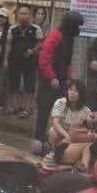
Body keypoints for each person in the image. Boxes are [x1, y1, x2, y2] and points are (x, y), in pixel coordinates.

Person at [35, 10, 85, 142]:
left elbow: (67, 60)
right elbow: (44, 60)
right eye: (76, 26)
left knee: (62, 111)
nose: (78, 29)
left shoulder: (68, 38)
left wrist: (68, 77)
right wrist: (52, 77)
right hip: (49, 81)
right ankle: (39, 140)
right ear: (70, 25)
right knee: (44, 112)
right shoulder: (54, 37)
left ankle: (58, 139)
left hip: (61, 80)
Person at [44, 79, 97, 170]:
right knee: (53, 131)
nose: (72, 93)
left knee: (87, 144)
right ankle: (52, 152)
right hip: (61, 137)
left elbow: (89, 130)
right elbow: (55, 122)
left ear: (81, 94)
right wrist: (66, 136)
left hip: (74, 141)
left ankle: (81, 165)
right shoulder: (61, 102)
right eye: (70, 89)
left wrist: (91, 121)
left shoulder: (86, 111)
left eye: (75, 91)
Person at [5, 5, 41, 118]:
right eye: (21, 13)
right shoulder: (12, 29)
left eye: (25, 13)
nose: (23, 16)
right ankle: (14, 107)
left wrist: (33, 51)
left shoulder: (36, 29)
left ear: (30, 15)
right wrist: (6, 59)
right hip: (14, 60)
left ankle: (27, 108)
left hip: (30, 62)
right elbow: (8, 44)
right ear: (17, 15)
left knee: (29, 86)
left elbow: (41, 43)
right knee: (14, 84)